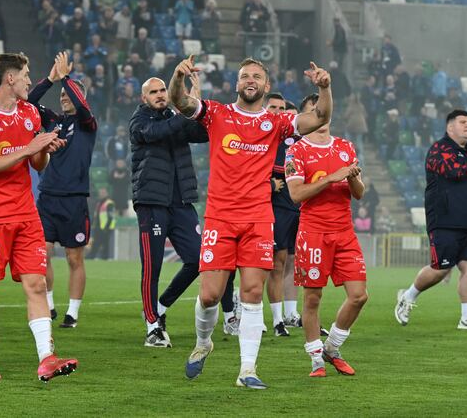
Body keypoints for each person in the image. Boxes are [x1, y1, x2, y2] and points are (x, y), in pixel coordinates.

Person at [169, 55, 333, 389]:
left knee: (253, 292)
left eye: (257, 76)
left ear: (266, 85)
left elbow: (321, 116)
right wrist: (177, 77)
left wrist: (325, 88)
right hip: (220, 217)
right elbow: (180, 101)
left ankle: (247, 370)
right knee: (211, 295)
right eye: (245, 76)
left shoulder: (277, 123)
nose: (250, 80)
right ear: (237, 83)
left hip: (258, 218)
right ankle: (203, 342)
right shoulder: (217, 113)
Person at [0, 53, 76, 381]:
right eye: (26, 75)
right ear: (10, 78)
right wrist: (28, 149)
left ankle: (46, 358)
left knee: (37, 284)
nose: (30, 81)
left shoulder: (29, 113)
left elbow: (37, 165)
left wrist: (43, 149)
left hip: (26, 213)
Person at [129, 76, 236, 346]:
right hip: (152, 201)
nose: (160, 95)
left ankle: (161, 307)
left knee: (200, 260)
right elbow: (156, 133)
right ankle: (152, 326)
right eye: (153, 92)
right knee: (151, 267)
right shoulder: (139, 121)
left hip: (181, 202)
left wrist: (195, 108)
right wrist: (185, 112)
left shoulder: (174, 119)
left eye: (163, 90)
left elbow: (201, 134)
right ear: (144, 98)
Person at [285, 93, 368, 378]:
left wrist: (352, 176)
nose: (321, 117)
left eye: (323, 111)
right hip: (313, 233)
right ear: (306, 117)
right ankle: (315, 358)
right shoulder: (296, 152)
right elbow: (296, 195)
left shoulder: (345, 147)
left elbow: (359, 194)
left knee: (359, 296)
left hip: (344, 232)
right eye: (314, 111)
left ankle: (332, 347)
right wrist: (329, 178)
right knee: (312, 299)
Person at [394, 109, 467, 331]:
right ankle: (408, 296)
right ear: (450, 127)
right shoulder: (439, 149)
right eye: (463, 122)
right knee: (441, 268)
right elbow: (454, 171)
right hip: (445, 220)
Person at [28, 51, 97, 329]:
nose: (64, 97)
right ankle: (50, 304)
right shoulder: (55, 122)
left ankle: (73, 313)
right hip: (48, 197)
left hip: (75, 200)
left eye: (69, 95)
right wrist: (51, 79)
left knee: (73, 257)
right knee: (42, 253)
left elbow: (80, 102)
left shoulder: (87, 123)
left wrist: (67, 78)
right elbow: (28, 102)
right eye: (62, 95)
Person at [264, 93, 300, 336]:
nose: (279, 112)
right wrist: (270, 185)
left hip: (297, 210)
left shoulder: (297, 142)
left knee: (291, 264)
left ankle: (290, 314)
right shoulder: (266, 139)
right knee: (275, 265)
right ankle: (277, 320)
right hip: (275, 210)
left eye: (283, 108)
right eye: (274, 107)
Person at [87, 187, 115, 260]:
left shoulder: (109, 203)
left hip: (105, 228)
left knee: (102, 245)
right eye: (100, 192)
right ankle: (97, 257)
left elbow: (110, 217)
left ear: (106, 193)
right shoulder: (99, 203)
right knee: (98, 244)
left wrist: (106, 228)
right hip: (98, 227)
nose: (101, 194)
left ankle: (92, 257)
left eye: (103, 192)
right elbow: (97, 215)